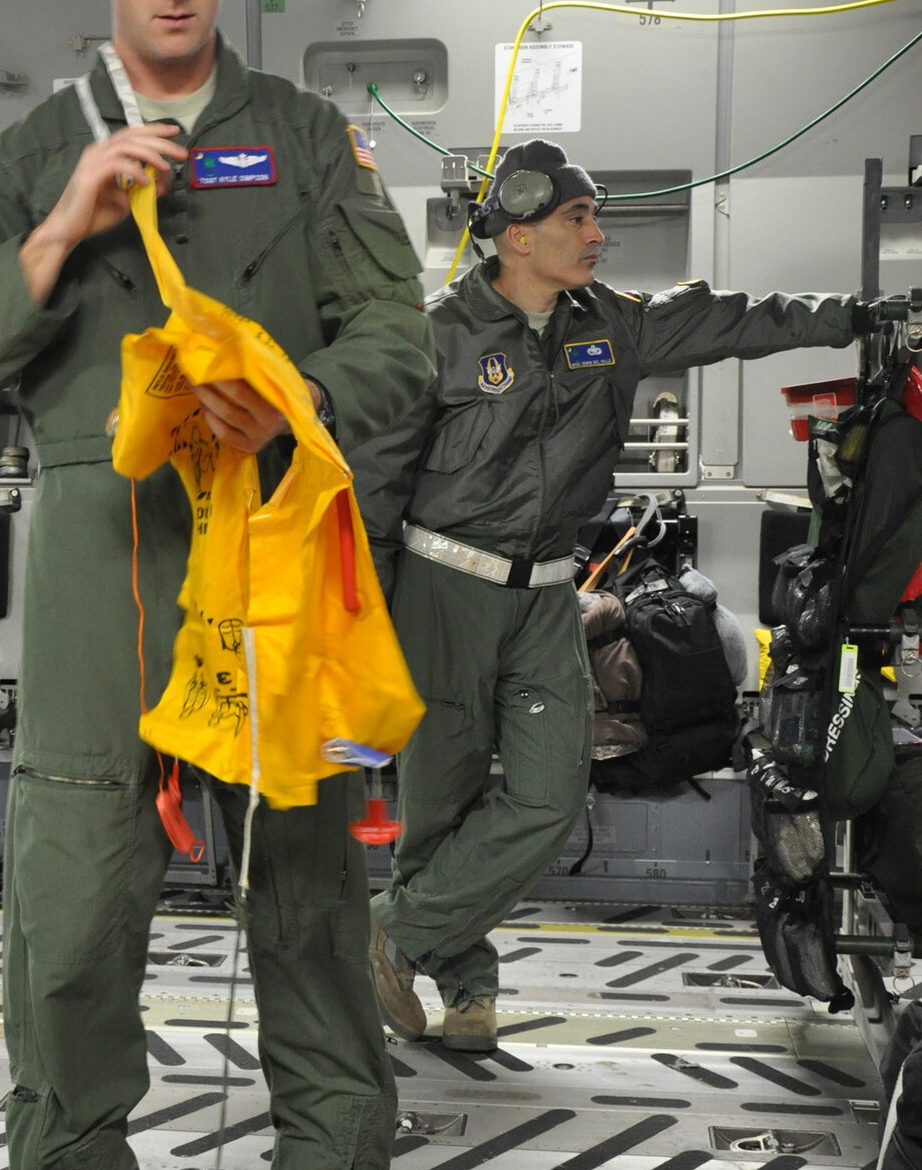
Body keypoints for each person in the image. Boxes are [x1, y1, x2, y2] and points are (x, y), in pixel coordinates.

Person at [0, 0, 436, 1170]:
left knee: (317, 923)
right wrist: (65, 219)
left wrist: (295, 397)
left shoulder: (304, 138)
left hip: (268, 561)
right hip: (95, 568)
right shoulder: (20, 158)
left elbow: (399, 337)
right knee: (68, 937)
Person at [356, 137, 866, 1053]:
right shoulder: (434, 336)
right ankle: (464, 982)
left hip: (549, 592)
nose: (598, 235)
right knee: (442, 799)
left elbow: (733, 320)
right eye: (576, 218)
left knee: (549, 795)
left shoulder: (614, 324)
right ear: (516, 235)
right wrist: (372, 611)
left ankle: (393, 932)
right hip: (442, 588)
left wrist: (850, 319)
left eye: (594, 216)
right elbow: (376, 481)